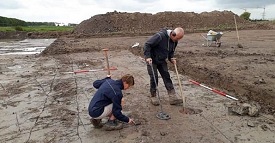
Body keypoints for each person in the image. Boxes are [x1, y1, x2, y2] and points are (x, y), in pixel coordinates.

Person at [144, 27, 184, 106]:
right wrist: (148, 57)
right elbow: (147, 44)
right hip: (152, 60)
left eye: (178, 39)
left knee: (166, 76)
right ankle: (153, 96)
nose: (177, 41)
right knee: (154, 77)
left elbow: (171, 51)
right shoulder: (160, 36)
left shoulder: (175, 41)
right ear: (173, 34)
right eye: (177, 38)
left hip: (162, 60)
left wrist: (171, 58)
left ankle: (172, 97)